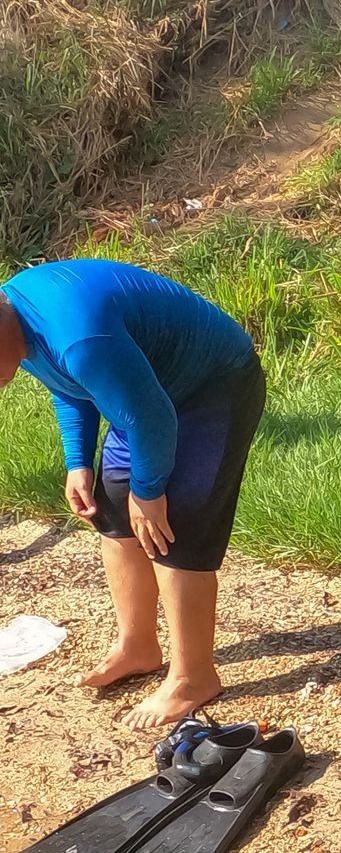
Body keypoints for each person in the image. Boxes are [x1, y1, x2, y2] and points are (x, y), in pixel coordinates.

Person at [0, 259, 265, 732]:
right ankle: (139, 645)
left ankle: (193, 677)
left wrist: (150, 492)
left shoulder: (78, 336)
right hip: (145, 389)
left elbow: (150, 418)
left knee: (175, 522)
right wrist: (78, 461)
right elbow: (72, 386)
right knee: (112, 512)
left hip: (213, 383)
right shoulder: (16, 319)